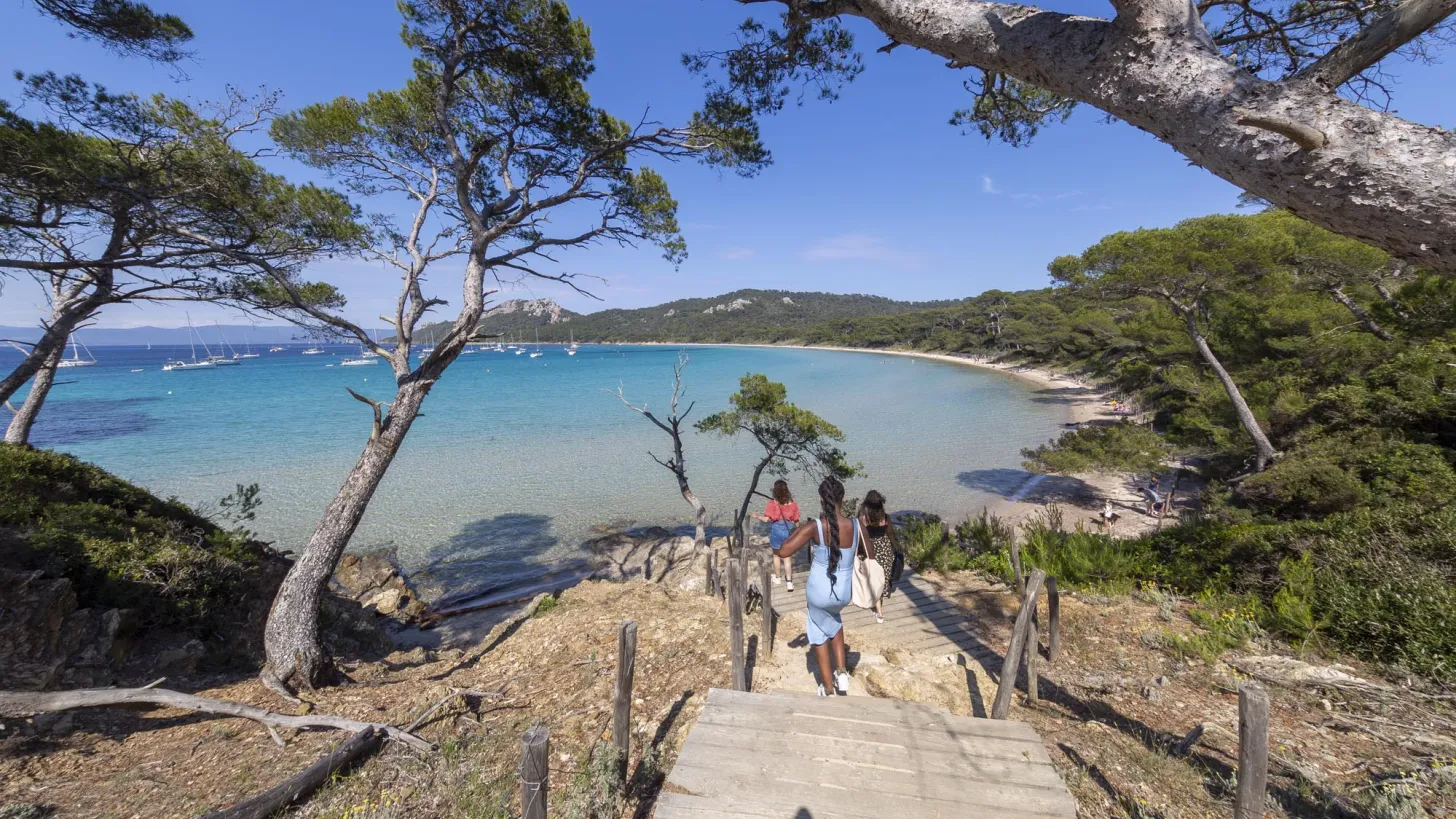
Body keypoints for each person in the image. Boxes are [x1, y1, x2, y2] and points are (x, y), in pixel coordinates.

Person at [774, 476, 858, 696]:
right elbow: (869, 552)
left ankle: (828, 687)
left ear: (821, 500)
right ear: (844, 498)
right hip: (843, 593)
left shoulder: (815, 527)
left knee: (819, 634)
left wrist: (798, 530)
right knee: (834, 621)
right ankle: (842, 673)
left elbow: (783, 551)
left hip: (819, 594)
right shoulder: (857, 525)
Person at [856, 490, 899, 624]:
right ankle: (879, 606)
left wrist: (857, 552)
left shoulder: (863, 518)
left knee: (873, 578)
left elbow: (859, 536)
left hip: (870, 550)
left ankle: (879, 610)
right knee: (882, 578)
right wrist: (896, 548)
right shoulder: (885, 518)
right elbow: (890, 534)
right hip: (885, 549)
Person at [754, 480, 800, 591]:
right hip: (787, 531)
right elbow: (796, 520)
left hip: (776, 532)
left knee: (776, 556)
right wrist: (797, 531)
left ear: (775, 490)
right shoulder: (793, 503)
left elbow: (766, 519)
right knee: (787, 558)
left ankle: (778, 578)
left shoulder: (773, 503)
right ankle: (789, 583)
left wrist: (756, 516)